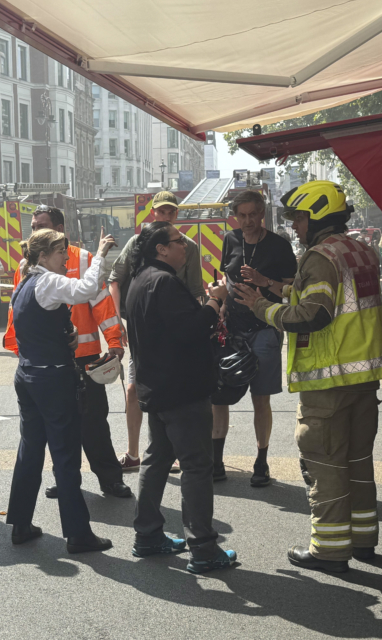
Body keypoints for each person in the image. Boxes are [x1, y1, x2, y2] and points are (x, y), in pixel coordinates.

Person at [233, 181, 382, 573]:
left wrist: (262, 307)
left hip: (329, 381)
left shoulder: (320, 256)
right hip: (363, 377)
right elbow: (322, 295)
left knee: (327, 465)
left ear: (317, 216)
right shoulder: (360, 250)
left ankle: (330, 551)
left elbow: (314, 314)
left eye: (300, 218)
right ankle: (364, 539)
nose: (296, 227)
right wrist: (274, 285)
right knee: (358, 460)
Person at [127, 221, 237, 573]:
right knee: (196, 466)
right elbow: (190, 331)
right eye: (177, 242)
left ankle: (148, 536)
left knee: (157, 459)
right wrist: (215, 302)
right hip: (182, 390)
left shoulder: (141, 280)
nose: (185, 247)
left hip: (156, 388)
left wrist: (204, 304)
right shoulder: (163, 282)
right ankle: (203, 548)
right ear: (160, 249)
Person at [4, 206, 131, 498]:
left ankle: (110, 479)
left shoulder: (83, 259)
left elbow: (101, 303)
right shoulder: (26, 267)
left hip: (86, 358)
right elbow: (16, 312)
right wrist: (19, 349)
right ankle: (65, 479)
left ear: (60, 229)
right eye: (33, 226)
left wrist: (113, 342)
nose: (35, 232)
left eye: (42, 226)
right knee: (58, 428)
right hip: (49, 361)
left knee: (94, 422)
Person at [5, 227, 116, 553]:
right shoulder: (48, 282)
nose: (66, 260)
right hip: (51, 379)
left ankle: (20, 524)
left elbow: (30, 328)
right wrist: (99, 254)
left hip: (27, 374)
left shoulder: (24, 283)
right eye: (60, 254)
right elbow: (87, 289)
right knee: (66, 458)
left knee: (30, 451)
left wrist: (61, 338)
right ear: (42, 256)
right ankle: (78, 534)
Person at [109, 191, 205, 472]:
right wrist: (117, 322)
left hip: (174, 330)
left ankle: (169, 450)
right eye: (161, 212)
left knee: (170, 390)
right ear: (153, 213)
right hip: (141, 327)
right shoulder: (137, 243)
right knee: (133, 389)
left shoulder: (187, 247)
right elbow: (115, 281)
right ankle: (133, 452)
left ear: (177, 215)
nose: (166, 217)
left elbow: (195, 290)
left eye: (171, 213)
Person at [213, 189, 297, 485]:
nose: (248, 221)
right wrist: (223, 302)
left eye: (253, 215)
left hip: (265, 328)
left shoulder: (278, 245)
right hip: (232, 329)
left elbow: (292, 287)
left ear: (262, 214)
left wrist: (264, 283)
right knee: (218, 396)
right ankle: (216, 460)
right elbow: (227, 276)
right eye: (242, 215)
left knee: (261, 400)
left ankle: (261, 462)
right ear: (235, 216)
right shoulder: (230, 239)